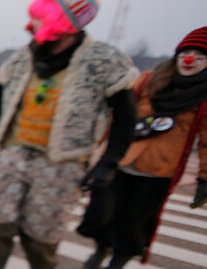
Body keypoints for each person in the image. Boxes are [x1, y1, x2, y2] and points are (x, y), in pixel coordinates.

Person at [0, 0, 139, 269]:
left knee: (41, 240)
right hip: (13, 155)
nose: (29, 26)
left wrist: (108, 163)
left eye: (39, 18)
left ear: (65, 23)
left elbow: (125, 117)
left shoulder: (103, 61)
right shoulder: (22, 58)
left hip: (62, 164)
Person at [77, 26, 207, 269]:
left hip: (158, 172)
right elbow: (118, 116)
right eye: (185, 53)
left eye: (200, 56)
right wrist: (93, 148)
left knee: (132, 222)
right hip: (122, 160)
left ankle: (119, 259)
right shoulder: (149, 80)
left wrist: (204, 178)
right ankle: (101, 248)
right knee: (101, 214)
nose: (190, 59)